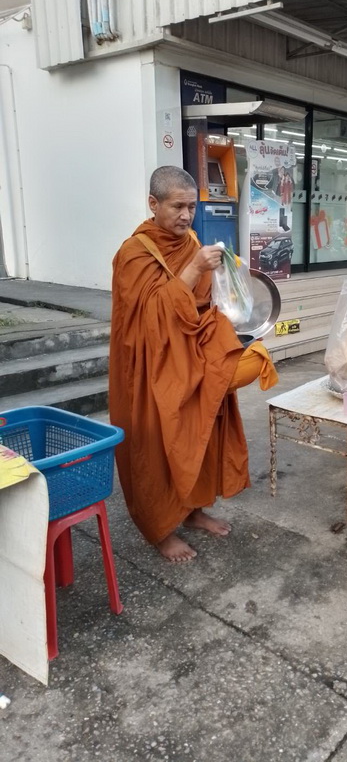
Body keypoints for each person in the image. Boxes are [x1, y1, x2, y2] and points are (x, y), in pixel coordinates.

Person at [109, 166, 278, 563]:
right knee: (157, 444)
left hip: (192, 353)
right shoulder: (133, 253)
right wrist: (193, 270)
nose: (186, 216)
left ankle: (194, 511)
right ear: (153, 204)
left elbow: (203, 302)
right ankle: (160, 529)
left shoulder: (192, 242)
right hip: (151, 366)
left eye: (192, 207)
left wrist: (228, 280)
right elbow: (148, 318)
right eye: (177, 207)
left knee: (201, 431)